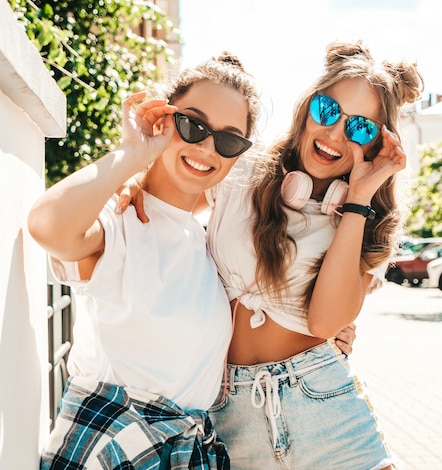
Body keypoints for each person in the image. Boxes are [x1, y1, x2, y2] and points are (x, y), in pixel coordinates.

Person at [119, 40, 423, 469]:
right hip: (229, 413)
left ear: (374, 144)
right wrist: (131, 178)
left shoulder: (367, 223)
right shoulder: (240, 170)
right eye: (327, 111)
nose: (334, 134)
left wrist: (358, 199)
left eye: (359, 129)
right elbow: (168, 195)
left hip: (326, 408)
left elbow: (324, 323)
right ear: (306, 108)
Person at [27, 52, 262, 469]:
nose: (207, 147)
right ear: (165, 120)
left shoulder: (210, 244)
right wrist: (134, 154)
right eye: (193, 125)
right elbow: (48, 225)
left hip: (186, 450)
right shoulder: (121, 220)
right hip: (113, 439)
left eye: (228, 140)